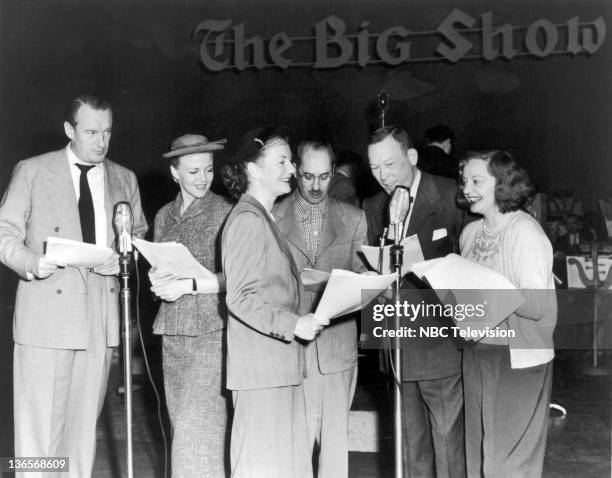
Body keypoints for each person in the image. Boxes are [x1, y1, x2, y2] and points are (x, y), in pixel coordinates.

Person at [0, 94, 148, 477]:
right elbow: (4, 233)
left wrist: (124, 257)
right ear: (69, 130)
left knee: (82, 434)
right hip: (45, 318)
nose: (101, 142)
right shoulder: (33, 171)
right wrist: (33, 262)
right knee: (39, 436)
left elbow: (138, 237)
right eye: (91, 132)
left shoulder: (124, 178)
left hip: (98, 320)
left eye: (108, 132)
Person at [220, 125, 329, 478]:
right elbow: (239, 297)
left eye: (290, 161)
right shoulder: (248, 220)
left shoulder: (264, 218)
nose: (292, 169)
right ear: (252, 169)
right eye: (281, 161)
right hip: (262, 374)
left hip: (279, 369)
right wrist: (293, 324)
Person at [363, 125, 465, 478]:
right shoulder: (373, 206)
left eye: (390, 165)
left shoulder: (453, 195)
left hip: (442, 345)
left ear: (412, 157)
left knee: (449, 448)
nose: (382, 177)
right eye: (374, 169)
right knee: (409, 450)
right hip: (394, 348)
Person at [274, 140, 368, 477]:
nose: (316, 186)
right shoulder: (271, 215)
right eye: (308, 176)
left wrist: (362, 283)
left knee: (334, 455)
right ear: (296, 171)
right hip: (290, 348)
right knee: (292, 450)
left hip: (336, 350)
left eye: (325, 177)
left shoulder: (354, 219)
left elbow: (362, 279)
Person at [460, 150, 556, 477]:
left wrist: (486, 292)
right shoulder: (470, 233)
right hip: (477, 353)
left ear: (502, 184)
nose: (466, 188)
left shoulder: (525, 232)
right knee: (478, 457)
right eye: (464, 181)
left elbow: (536, 304)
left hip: (518, 358)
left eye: (476, 181)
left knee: (508, 465)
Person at [149, 134, 233, 477]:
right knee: (180, 428)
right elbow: (162, 272)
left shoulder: (225, 212)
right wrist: (157, 283)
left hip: (210, 336)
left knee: (198, 434)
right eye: (194, 171)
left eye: (208, 170)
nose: (203, 178)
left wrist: (189, 285)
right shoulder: (163, 216)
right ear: (174, 173)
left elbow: (236, 278)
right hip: (172, 335)